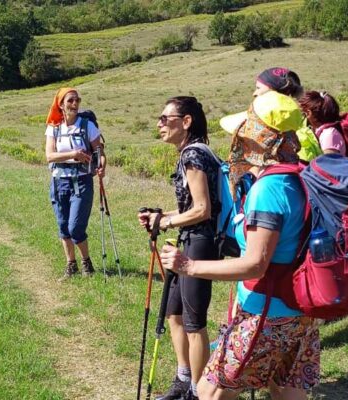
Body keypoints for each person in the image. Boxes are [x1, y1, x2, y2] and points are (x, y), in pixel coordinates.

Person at [160, 91, 320, 400]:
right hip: (301, 310)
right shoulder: (300, 176)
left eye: (245, 132)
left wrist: (188, 265)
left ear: (261, 138)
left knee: (209, 393)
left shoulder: (269, 189)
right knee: (285, 393)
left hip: (266, 314)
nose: (239, 140)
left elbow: (255, 263)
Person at [138, 96, 221, 400]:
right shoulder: (190, 153)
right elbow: (191, 208)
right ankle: (183, 379)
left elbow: (202, 210)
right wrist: (160, 217)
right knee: (174, 313)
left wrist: (166, 223)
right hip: (190, 238)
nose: (159, 123)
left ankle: (198, 392)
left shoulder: (193, 156)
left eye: (165, 118)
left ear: (186, 122)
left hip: (199, 243)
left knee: (193, 322)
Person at [220, 68, 320, 197]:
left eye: (258, 87)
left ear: (263, 139)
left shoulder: (268, 187)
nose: (254, 93)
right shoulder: (297, 132)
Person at [45, 87, 106, 278]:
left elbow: (100, 153)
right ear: (61, 104)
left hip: (82, 181)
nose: (75, 104)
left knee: (75, 227)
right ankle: (71, 265)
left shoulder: (88, 126)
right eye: (70, 101)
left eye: (77, 100)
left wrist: (102, 166)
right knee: (63, 226)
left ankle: (86, 263)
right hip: (59, 182)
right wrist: (73, 154)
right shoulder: (53, 128)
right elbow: (49, 156)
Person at [298, 90, 345, 155]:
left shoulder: (328, 135)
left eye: (303, 113)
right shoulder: (322, 131)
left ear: (309, 113)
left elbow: (330, 163)